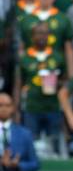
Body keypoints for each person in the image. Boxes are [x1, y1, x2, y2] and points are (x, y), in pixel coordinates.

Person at [14, 22, 66, 155]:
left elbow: (66, 81)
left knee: (54, 144)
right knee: (30, 143)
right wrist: (16, 108)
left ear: (49, 36)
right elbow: (18, 84)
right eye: (38, 33)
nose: (41, 36)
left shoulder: (57, 56)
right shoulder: (24, 57)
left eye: (44, 33)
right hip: (32, 107)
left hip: (53, 106)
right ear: (32, 36)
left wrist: (56, 82)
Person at [18, 0, 73, 79]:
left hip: (56, 67)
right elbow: (21, 47)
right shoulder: (25, 19)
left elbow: (69, 49)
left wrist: (71, 77)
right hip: (31, 67)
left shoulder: (63, 19)